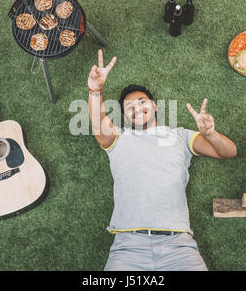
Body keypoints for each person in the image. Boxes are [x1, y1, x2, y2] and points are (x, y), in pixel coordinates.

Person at [88, 50, 237, 271]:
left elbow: (229, 152)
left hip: (179, 247)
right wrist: (95, 90)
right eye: (130, 108)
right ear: (125, 117)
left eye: (142, 102)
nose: (137, 108)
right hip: (128, 249)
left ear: (155, 106)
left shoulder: (181, 136)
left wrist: (210, 133)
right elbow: (99, 124)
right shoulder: (118, 138)